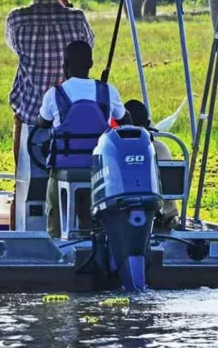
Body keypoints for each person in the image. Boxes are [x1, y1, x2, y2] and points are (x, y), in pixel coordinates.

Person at [6, 0, 94, 231]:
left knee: (23, 182)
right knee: (73, 180)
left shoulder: (17, 18)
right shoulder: (77, 19)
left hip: (30, 116)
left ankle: (18, 235)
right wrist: (67, 4)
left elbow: (15, 48)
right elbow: (85, 49)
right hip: (70, 119)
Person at [38, 40, 129, 237]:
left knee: (54, 201)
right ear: (91, 64)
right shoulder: (107, 91)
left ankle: (56, 236)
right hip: (100, 167)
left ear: (64, 64)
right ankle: (92, 234)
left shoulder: (54, 94)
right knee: (94, 207)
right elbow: (125, 120)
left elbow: (43, 123)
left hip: (65, 167)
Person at [124, 99, 180, 228]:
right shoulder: (161, 147)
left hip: (129, 213)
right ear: (148, 123)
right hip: (164, 215)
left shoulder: (119, 151)